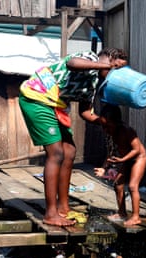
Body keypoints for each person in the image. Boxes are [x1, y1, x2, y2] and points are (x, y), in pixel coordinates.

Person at [19, 48, 128, 226]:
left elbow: (85, 112)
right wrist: (104, 65)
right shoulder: (89, 57)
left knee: (69, 151)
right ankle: (50, 213)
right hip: (36, 97)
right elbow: (72, 64)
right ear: (107, 59)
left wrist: (103, 121)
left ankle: (63, 207)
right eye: (114, 67)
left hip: (55, 105)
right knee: (56, 153)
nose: (113, 72)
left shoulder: (94, 83)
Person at [94, 104, 146, 226]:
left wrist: (122, 159)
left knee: (133, 186)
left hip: (138, 159)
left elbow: (137, 149)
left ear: (117, 122)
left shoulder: (127, 131)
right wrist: (104, 168)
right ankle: (122, 213)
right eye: (103, 127)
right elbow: (110, 154)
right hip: (125, 160)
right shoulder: (111, 134)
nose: (105, 130)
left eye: (108, 126)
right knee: (118, 185)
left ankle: (136, 217)